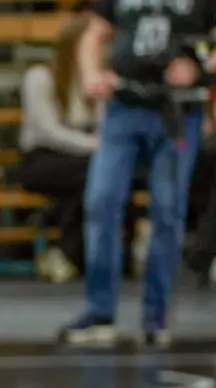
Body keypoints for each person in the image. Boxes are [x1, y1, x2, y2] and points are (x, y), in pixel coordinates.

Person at [58, 0, 216, 347]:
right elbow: (93, 34)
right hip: (124, 106)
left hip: (176, 112)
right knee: (101, 200)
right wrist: (90, 74)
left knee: (167, 211)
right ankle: (100, 313)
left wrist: (200, 68)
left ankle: (155, 317)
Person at [21, 14, 103, 283]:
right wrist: (92, 145)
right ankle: (70, 253)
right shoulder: (40, 77)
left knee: (97, 176)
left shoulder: (97, 80)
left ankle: (66, 254)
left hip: (85, 158)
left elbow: (104, 123)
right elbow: (48, 131)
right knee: (95, 173)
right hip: (43, 157)